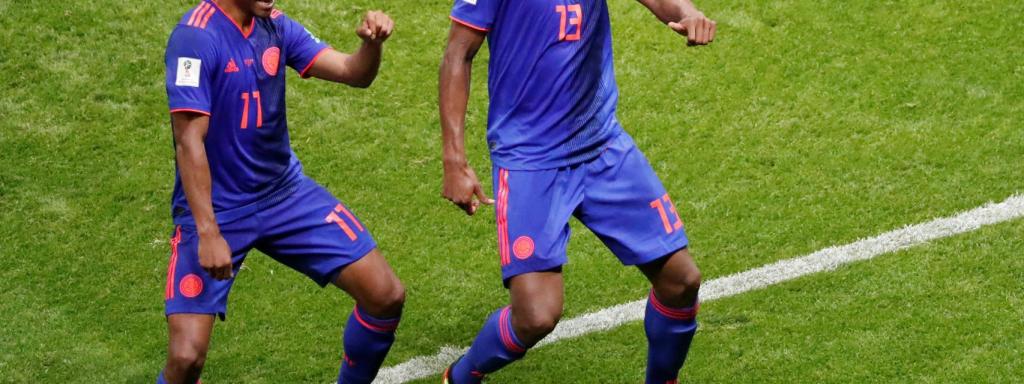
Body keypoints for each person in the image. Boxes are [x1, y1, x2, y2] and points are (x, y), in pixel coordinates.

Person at [438, 0, 715, 382]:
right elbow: (457, 53)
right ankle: (461, 377)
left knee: (681, 281)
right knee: (536, 316)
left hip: (602, 146)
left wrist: (688, 14)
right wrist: (455, 160)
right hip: (530, 159)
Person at [160, 1, 403, 383]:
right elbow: (189, 143)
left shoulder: (274, 25)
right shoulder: (195, 38)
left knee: (385, 295)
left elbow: (354, 73)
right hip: (217, 211)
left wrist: (372, 44)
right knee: (186, 357)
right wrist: (208, 233)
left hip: (284, 195)